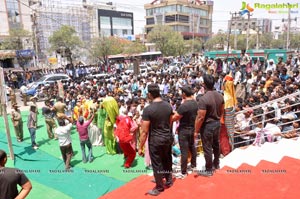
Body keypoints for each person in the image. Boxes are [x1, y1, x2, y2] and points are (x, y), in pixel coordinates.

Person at [138, 84, 173, 196]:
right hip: (167, 137)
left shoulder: (148, 110)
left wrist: (140, 146)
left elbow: (144, 131)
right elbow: (171, 120)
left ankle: (159, 187)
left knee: (157, 163)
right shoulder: (168, 106)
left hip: (156, 140)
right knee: (167, 159)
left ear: (149, 94)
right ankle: (168, 180)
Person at [194, 74, 224, 177]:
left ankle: (209, 169)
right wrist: (218, 118)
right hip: (217, 123)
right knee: (216, 144)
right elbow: (222, 110)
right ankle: (216, 164)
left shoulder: (203, 99)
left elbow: (200, 117)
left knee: (207, 147)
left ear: (204, 84)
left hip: (208, 126)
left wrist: (196, 131)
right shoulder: (220, 95)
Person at [171, 85, 198, 179]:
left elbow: (175, 118)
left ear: (184, 94)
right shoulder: (195, 103)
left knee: (184, 151)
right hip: (192, 128)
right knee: (192, 147)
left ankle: (183, 171)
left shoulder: (184, 105)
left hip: (184, 130)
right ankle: (194, 165)